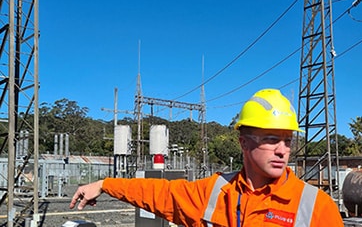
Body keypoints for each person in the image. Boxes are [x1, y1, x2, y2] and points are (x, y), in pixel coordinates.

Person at [70, 88, 344, 227]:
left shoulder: (316, 208)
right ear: (244, 143)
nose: (282, 150)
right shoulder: (216, 192)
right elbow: (160, 194)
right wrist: (106, 184)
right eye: (271, 139)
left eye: (287, 140)